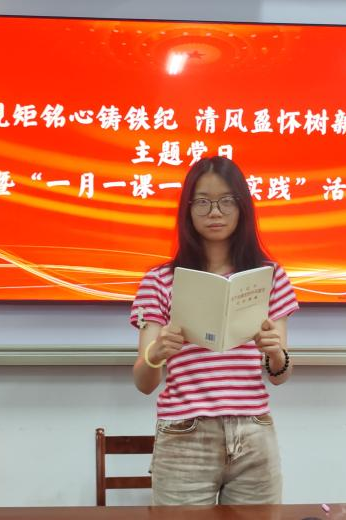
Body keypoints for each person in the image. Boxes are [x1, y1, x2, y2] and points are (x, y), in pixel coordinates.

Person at [130, 156, 299, 505]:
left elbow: (280, 376)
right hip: (184, 435)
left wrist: (274, 352)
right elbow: (143, 382)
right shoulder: (159, 280)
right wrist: (157, 353)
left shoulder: (269, 276)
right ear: (188, 210)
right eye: (203, 202)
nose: (215, 212)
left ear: (242, 207)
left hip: (254, 433)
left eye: (226, 201)